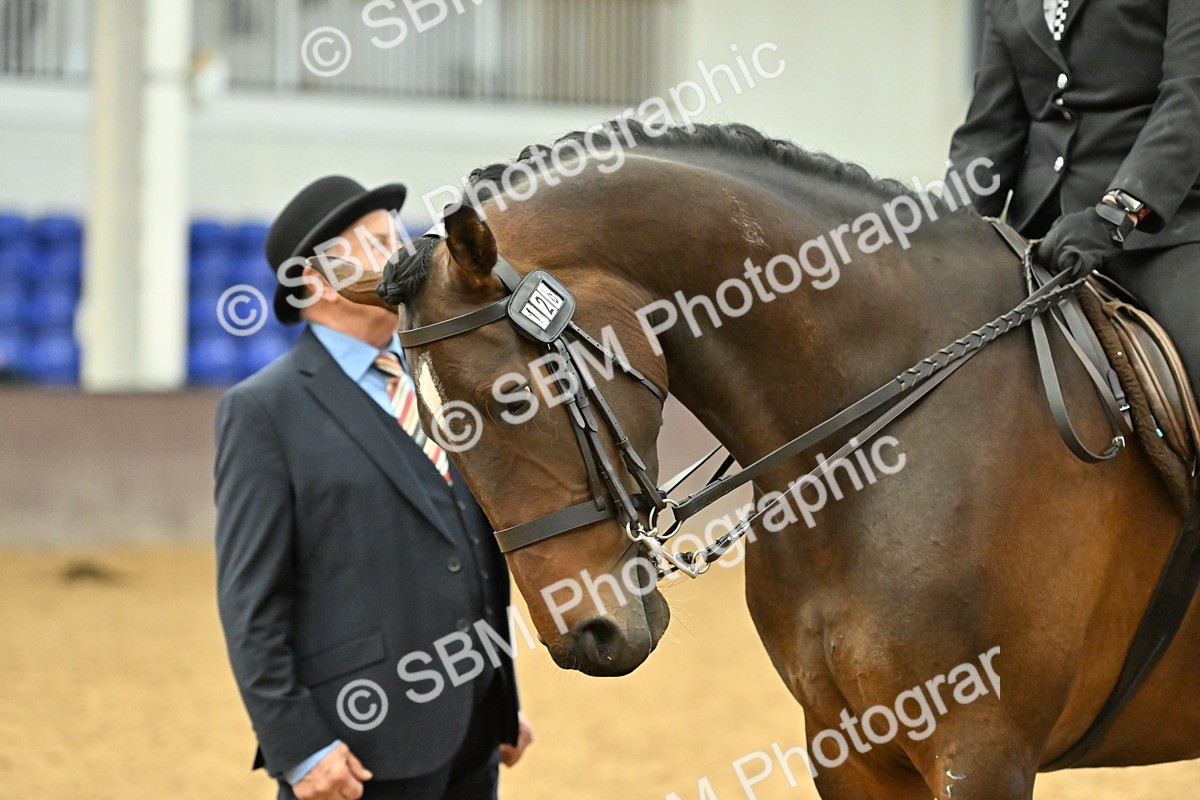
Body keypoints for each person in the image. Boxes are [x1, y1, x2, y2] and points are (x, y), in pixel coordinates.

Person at [215, 175, 533, 800]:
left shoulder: (438, 382)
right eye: (378, 242)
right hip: (356, 755)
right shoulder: (262, 412)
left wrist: (498, 697)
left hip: (475, 735)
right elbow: (251, 604)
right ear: (314, 280)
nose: (405, 254)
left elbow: (464, 550)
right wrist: (299, 749)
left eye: (398, 234)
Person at [948, 0, 1200, 402]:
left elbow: (1190, 98)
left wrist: (1116, 213)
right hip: (1038, 236)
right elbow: (991, 130)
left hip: (1159, 231)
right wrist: (943, 230)